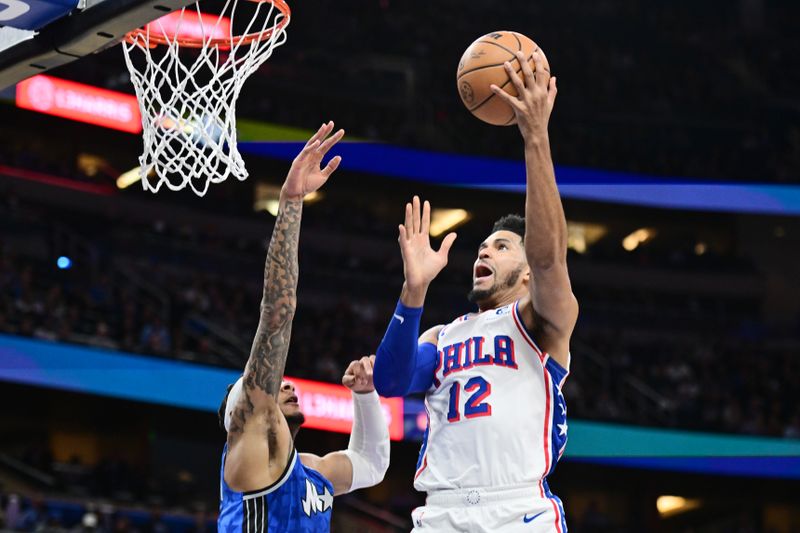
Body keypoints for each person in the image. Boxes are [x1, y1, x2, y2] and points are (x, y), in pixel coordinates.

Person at [374, 51, 578, 532]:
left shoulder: (540, 322)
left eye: (502, 247)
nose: (483, 252)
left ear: (526, 273)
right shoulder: (444, 335)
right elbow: (390, 382)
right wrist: (413, 292)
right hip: (441, 510)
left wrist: (535, 137)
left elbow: (549, 257)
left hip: (516, 510)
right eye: (482, 247)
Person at [217, 122, 390, 532]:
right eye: (275, 385)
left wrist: (365, 396)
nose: (287, 384)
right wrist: (291, 202)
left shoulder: (312, 471)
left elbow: (372, 464)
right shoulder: (251, 441)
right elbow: (278, 309)